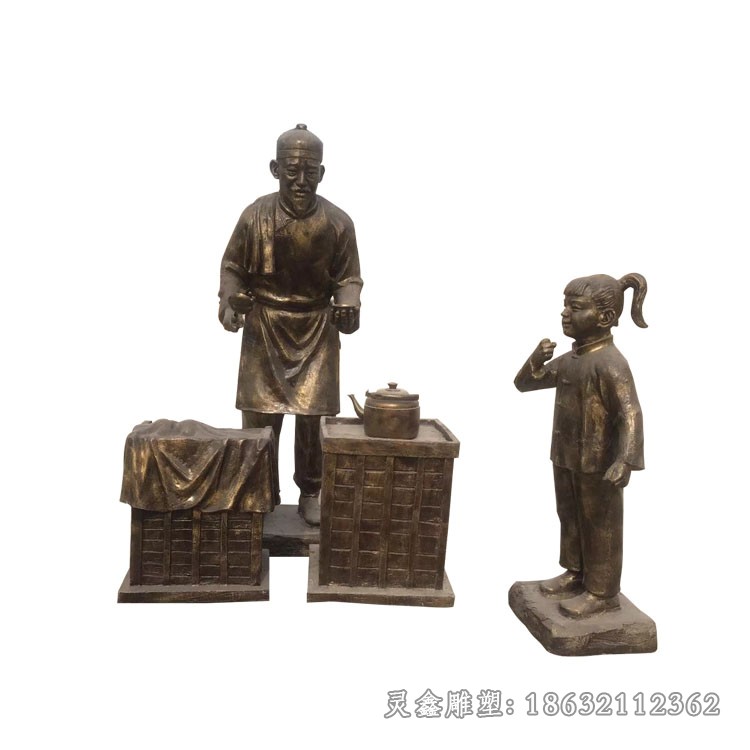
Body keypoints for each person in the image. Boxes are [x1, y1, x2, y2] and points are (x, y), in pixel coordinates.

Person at [218, 124, 363, 526]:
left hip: (316, 328)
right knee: (259, 421)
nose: (301, 181)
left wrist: (348, 304)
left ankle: (311, 491)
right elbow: (232, 268)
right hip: (265, 326)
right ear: (275, 169)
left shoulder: (338, 223)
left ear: (322, 173)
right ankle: (259, 493)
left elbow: (349, 278)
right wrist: (232, 303)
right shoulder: (255, 216)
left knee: (314, 420)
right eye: (292, 170)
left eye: (310, 172)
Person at [514, 273, 647, 618]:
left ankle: (602, 592)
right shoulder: (572, 359)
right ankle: (576, 573)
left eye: (575, 307)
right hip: (566, 454)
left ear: (605, 317)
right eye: (565, 306)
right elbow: (526, 383)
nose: (565, 314)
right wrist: (535, 358)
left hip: (598, 463)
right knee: (570, 516)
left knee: (600, 524)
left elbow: (630, 412)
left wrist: (626, 460)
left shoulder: (610, 362)